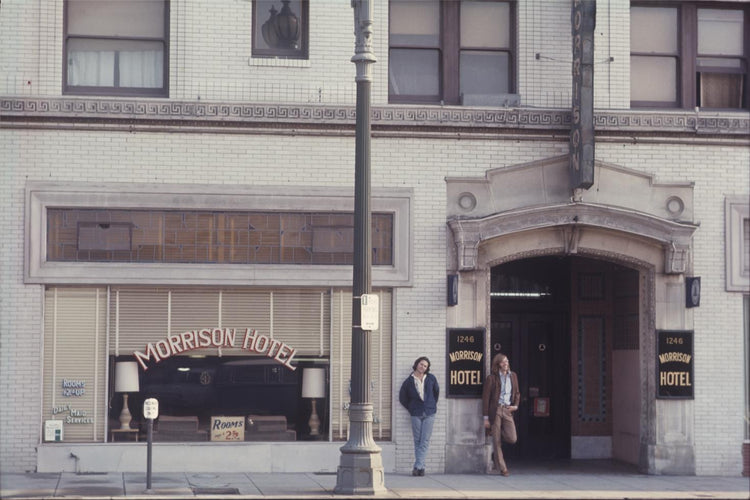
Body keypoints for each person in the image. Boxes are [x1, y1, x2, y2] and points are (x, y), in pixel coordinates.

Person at [399, 356, 439, 477]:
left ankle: (417, 466)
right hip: (415, 414)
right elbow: (402, 398)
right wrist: (411, 408)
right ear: (417, 364)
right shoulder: (408, 381)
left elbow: (436, 393)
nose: (423, 367)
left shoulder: (431, 378)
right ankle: (421, 468)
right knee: (417, 440)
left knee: (424, 440)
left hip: (429, 413)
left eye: (425, 366)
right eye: (421, 364)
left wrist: (430, 405)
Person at [481, 352, 520, 476]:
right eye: (503, 361)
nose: (506, 363)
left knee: (512, 438)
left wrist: (516, 406)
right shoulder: (491, 378)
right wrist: (486, 418)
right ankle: (503, 468)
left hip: (508, 410)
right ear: (498, 364)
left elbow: (517, 393)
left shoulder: (513, 376)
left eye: (507, 361)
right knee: (496, 441)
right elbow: (486, 399)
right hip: (496, 409)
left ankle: (497, 431)